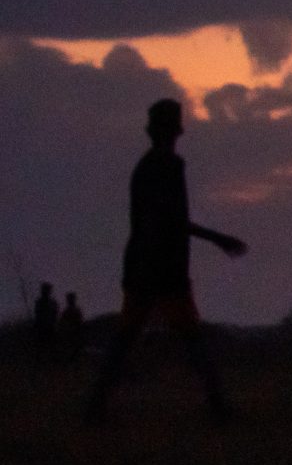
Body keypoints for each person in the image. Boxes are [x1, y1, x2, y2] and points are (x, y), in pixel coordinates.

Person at [85, 99, 248, 424]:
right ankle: (218, 407)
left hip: (143, 268)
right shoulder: (166, 167)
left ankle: (95, 405)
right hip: (164, 270)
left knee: (128, 337)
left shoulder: (148, 167)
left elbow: (166, 220)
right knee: (190, 338)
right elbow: (173, 220)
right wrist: (219, 239)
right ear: (174, 131)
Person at [29, 281, 59, 362]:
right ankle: (40, 360)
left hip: (49, 326)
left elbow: (55, 315)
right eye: (45, 290)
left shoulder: (52, 303)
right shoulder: (39, 302)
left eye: (47, 290)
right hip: (42, 327)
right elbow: (37, 314)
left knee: (50, 345)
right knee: (41, 345)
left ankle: (51, 360)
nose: (46, 292)